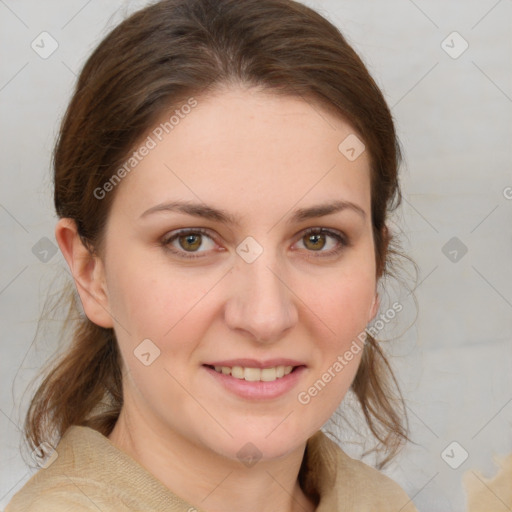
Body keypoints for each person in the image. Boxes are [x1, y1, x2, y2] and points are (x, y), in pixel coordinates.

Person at [6, 0, 419, 510]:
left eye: (317, 239)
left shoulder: (381, 502)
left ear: (377, 265)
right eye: (192, 240)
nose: (266, 316)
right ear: (92, 274)